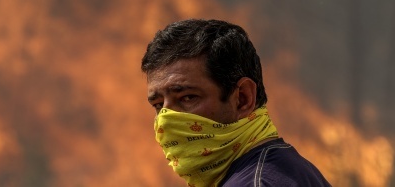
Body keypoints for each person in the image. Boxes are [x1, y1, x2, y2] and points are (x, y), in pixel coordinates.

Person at [141, 19, 330, 187]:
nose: (165, 121)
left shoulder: (260, 181)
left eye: (188, 97)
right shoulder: (282, 169)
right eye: (158, 105)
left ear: (243, 98)